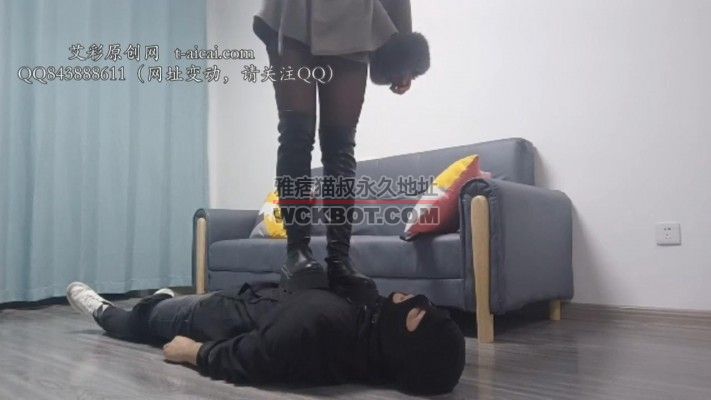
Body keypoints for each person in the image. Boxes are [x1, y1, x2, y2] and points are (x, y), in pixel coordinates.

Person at [253, 0, 430, 292]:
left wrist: (400, 53)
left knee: (340, 146)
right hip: (294, 12)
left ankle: (339, 260)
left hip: (353, 18)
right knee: (296, 134)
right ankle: (297, 253)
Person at [66, 280, 465, 395]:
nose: (411, 299)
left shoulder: (322, 325)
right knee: (164, 306)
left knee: (142, 321)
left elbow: (256, 357)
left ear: (403, 349)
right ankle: (162, 298)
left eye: (416, 312)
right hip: (244, 299)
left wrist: (196, 352)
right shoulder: (364, 329)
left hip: (208, 319)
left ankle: (103, 311)